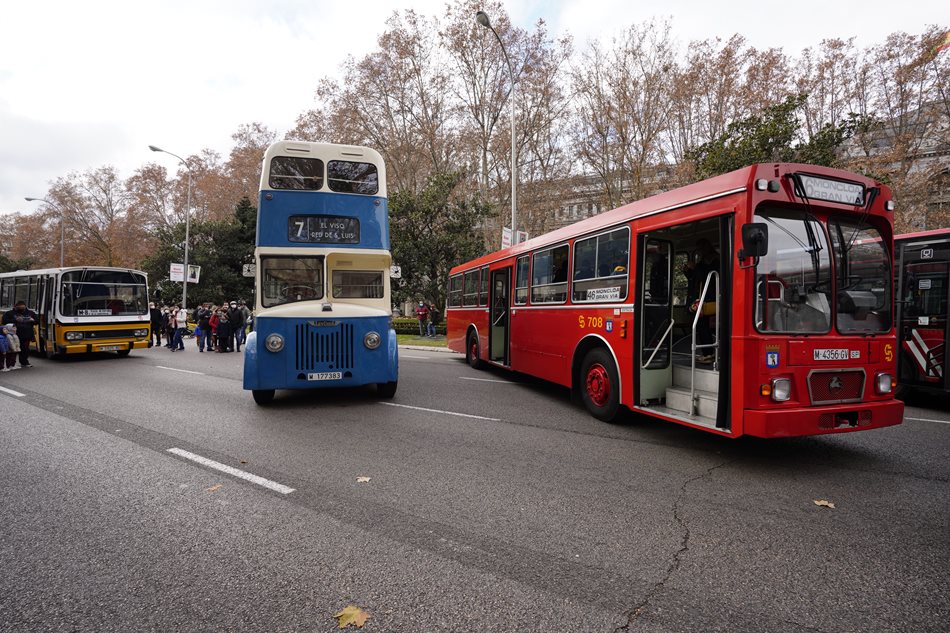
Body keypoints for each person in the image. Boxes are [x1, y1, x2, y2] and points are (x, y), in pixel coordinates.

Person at [684, 238, 721, 362]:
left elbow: (705, 277)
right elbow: (693, 277)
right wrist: (688, 270)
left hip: (709, 296)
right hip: (701, 296)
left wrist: (695, 268)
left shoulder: (715, 261)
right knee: (701, 325)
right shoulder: (702, 262)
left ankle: (708, 353)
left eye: (701, 249)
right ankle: (707, 352)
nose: (700, 252)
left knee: (702, 325)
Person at [2, 300, 37, 368]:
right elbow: (4, 321)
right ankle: (11, 364)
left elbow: (37, 321)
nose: (21, 310)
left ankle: (24, 362)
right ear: (15, 307)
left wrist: (33, 320)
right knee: (13, 349)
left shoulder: (31, 313)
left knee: (25, 349)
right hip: (13, 334)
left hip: (27, 334)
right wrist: (15, 320)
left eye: (23, 308)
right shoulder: (9, 313)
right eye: (19, 308)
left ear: (25, 307)